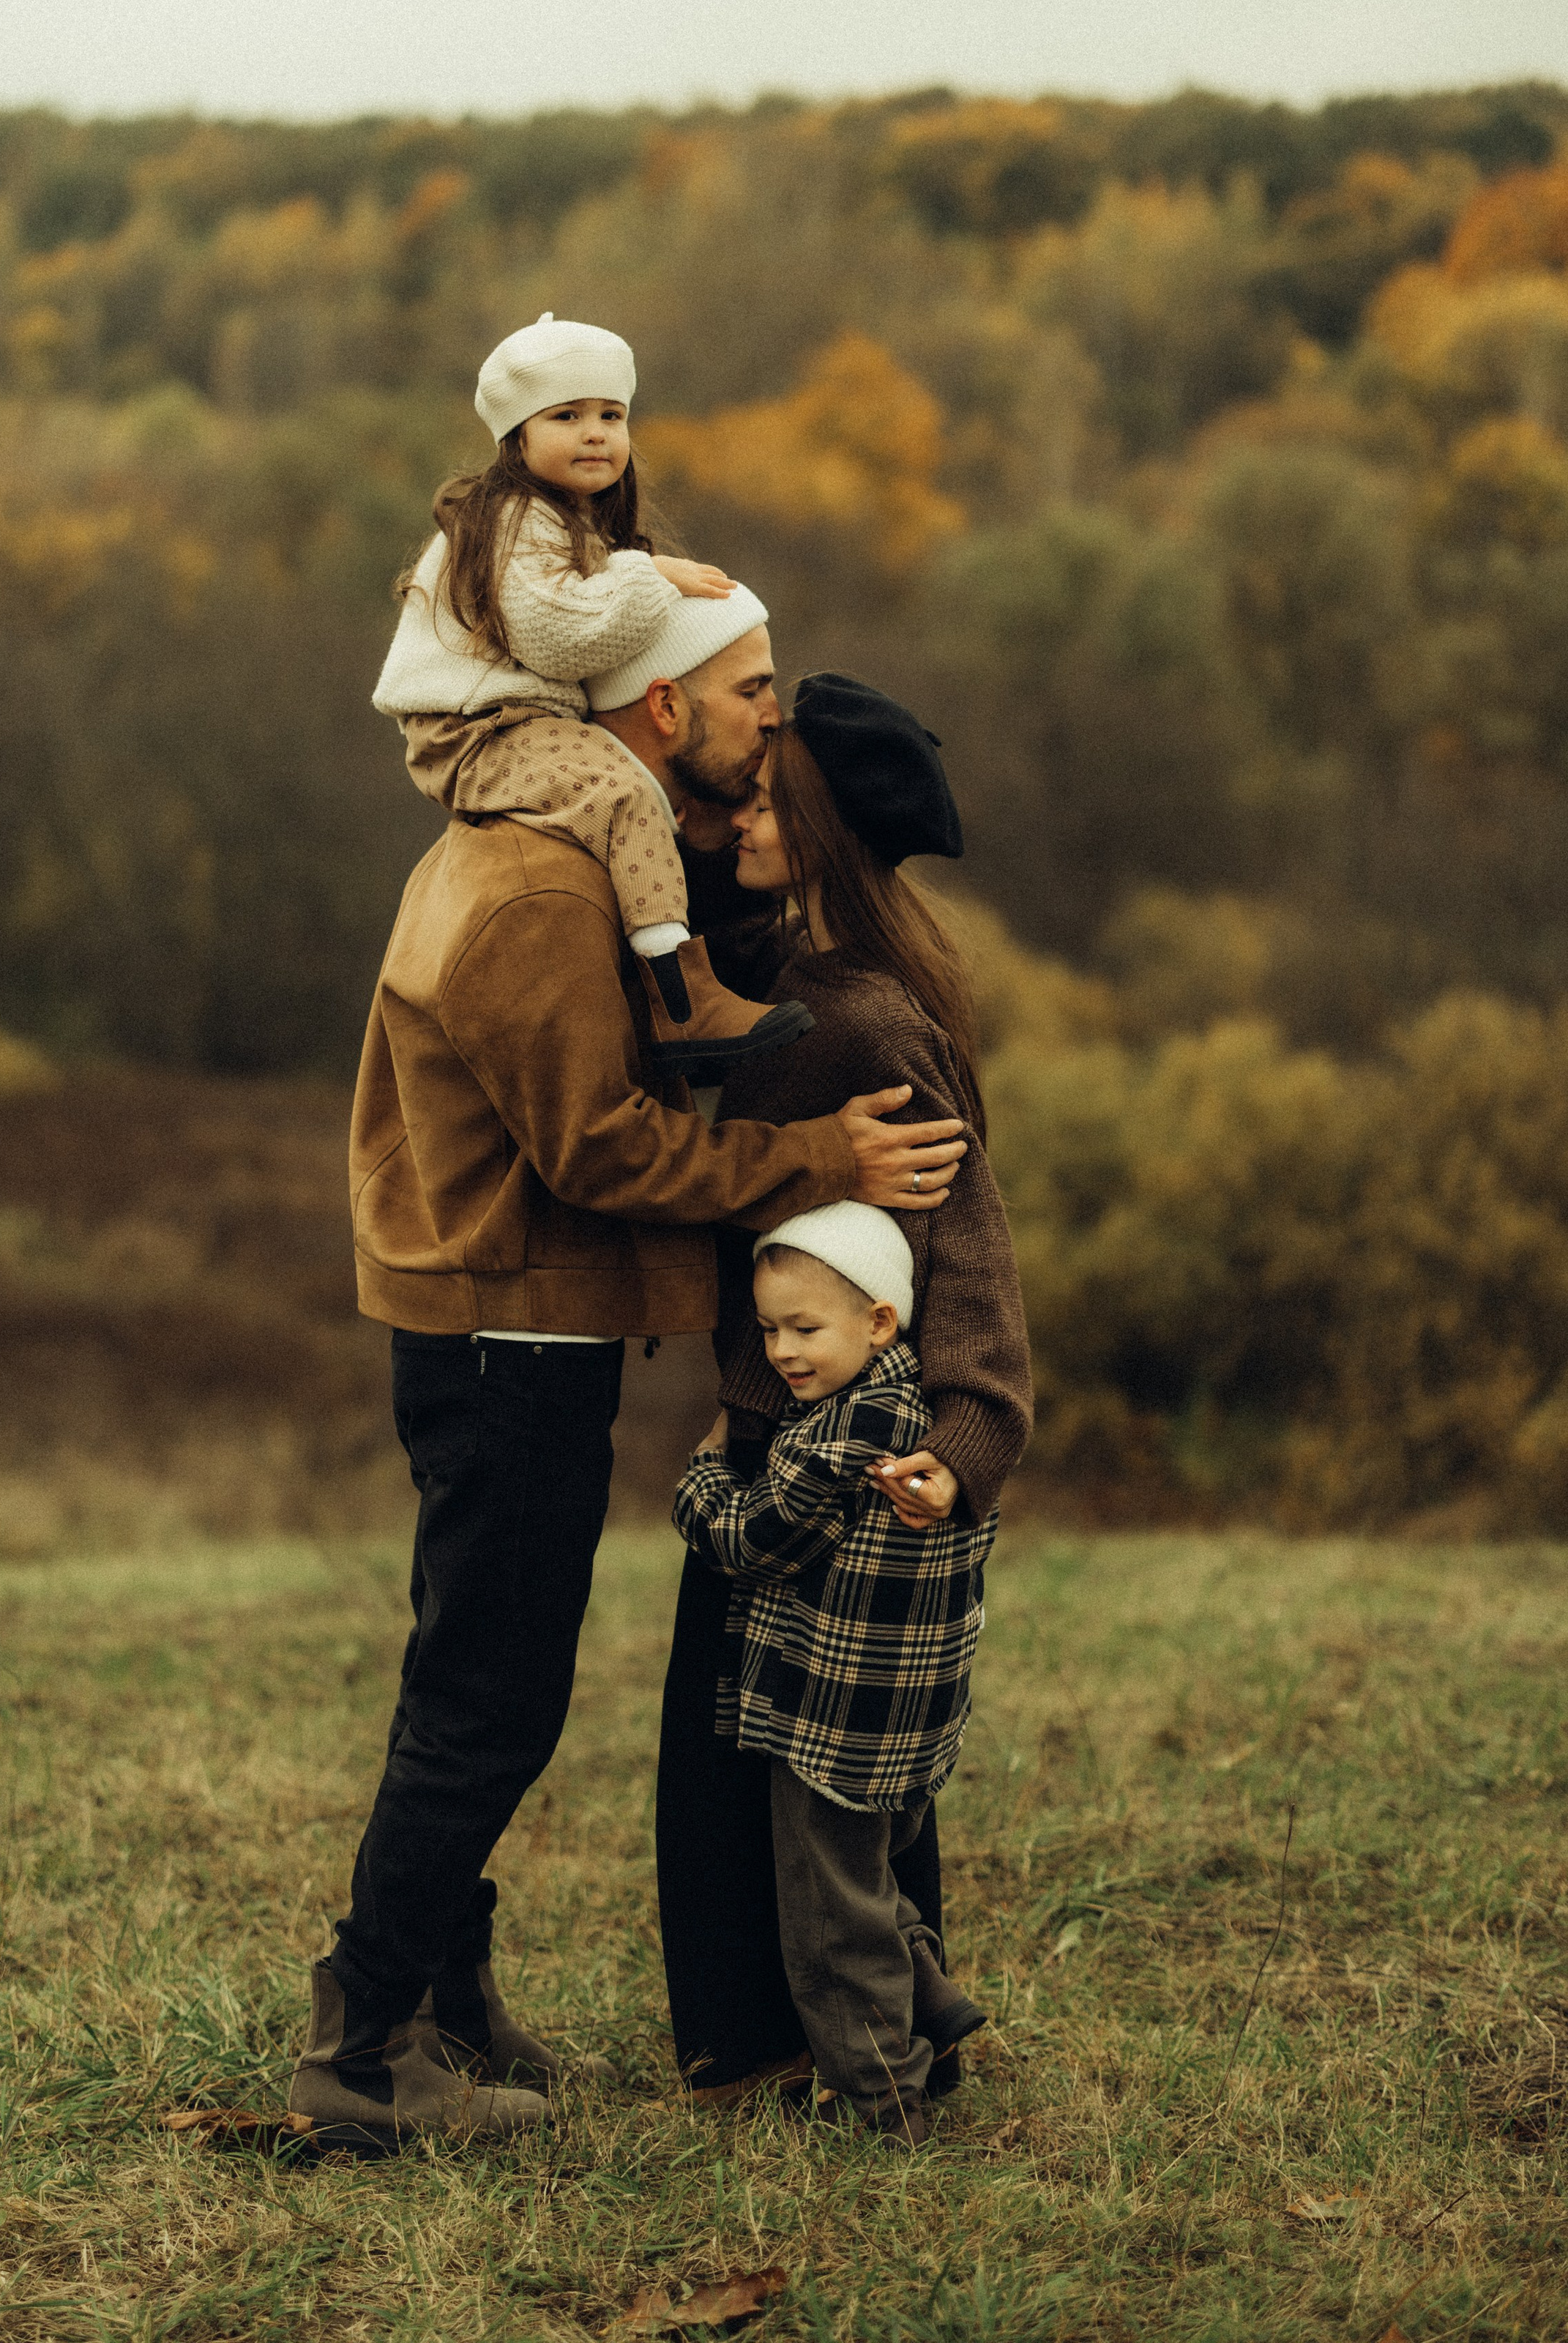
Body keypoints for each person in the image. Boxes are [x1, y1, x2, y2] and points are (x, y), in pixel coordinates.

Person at [287, 615, 972, 2155]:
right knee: (489, 1700)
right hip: (507, 1340)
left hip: (509, 1325)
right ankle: (362, 2044)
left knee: (475, 1679)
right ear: (661, 707)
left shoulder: (569, 850)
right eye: (749, 691)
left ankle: (443, 1996)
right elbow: (594, 1148)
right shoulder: (541, 888)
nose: (770, 717)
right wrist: (822, 1160)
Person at [656, 673, 1032, 2108]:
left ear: (819, 827)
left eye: (765, 798)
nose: (735, 816)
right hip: (799, 1423)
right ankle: (872, 2022)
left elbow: (968, 1241)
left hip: (824, 1457)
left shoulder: (855, 1021)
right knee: (822, 1764)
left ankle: (797, 2051)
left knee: (779, 1767)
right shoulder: (797, 978)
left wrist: (971, 1428)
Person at [374, 310, 809, 1076]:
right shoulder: (510, 521)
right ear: (517, 436)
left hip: (510, 719)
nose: (595, 434)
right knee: (624, 795)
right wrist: (649, 575)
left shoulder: (557, 520)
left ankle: (684, 978)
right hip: (474, 727)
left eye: (611, 415)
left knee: (641, 794)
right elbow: (561, 638)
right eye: (567, 416)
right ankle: (682, 1000)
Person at [674, 1202, 996, 2148]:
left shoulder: (846, 1435)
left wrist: (702, 1476)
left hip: (837, 1722)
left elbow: (747, 1539)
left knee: (831, 1920)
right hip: (908, 1721)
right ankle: (932, 2002)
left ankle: (885, 2104)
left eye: (804, 1328)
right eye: (769, 1329)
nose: (781, 1351)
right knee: (869, 1879)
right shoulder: (936, 1421)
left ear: (879, 1321)